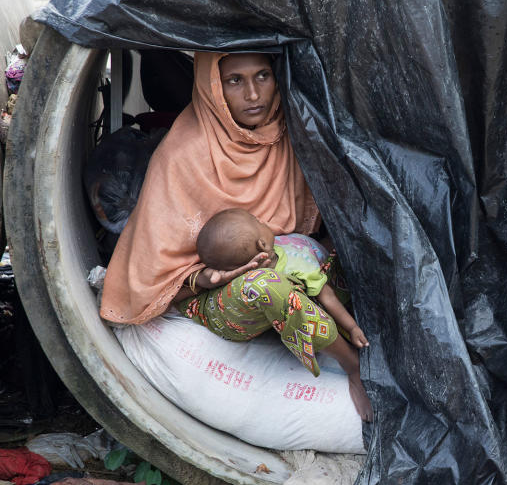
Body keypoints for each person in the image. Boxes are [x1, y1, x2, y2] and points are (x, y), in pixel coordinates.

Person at [100, 51, 373, 421]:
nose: (253, 94)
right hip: (222, 295)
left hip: (292, 267)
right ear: (212, 87)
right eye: (234, 81)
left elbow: (331, 222)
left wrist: (321, 253)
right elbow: (150, 277)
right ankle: (352, 366)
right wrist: (206, 279)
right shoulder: (183, 156)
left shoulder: (292, 136)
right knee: (266, 286)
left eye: (262, 76)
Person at [189, 208, 369, 386]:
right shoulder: (297, 265)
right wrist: (352, 327)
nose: (263, 221)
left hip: (317, 258)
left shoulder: (244, 272)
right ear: (262, 245)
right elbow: (327, 295)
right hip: (327, 279)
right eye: (258, 222)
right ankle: (350, 363)